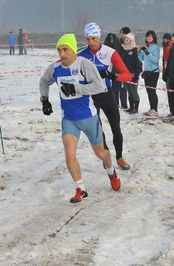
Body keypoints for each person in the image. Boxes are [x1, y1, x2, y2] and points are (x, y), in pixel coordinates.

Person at [38, 33, 121, 203]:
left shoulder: (84, 65)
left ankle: (111, 172)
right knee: (69, 153)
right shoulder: (55, 68)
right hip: (69, 119)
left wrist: (78, 89)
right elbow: (43, 82)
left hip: (89, 117)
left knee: (101, 153)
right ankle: (80, 189)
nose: (62, 54)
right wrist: (45, 100)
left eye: (65, 50)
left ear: (73, 50)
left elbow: (99, 85)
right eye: (59, 50)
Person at [78, 22, 133, 170]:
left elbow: (127, 75)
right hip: (90, 97)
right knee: (98, 129)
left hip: (107, 95)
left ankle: (120, 157)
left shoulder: (110, 52)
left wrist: (112, 75)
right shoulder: (81, 55)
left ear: (99, 37)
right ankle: (106, 154)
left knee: (116, 128)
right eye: (88, 39)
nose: (91, 43)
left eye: (94, 39)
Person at [137, 31, 160, 117]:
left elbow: (155, 60)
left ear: (154, 37)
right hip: (147, 72)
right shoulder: (147, 46)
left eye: (150, 36)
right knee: (148, 91)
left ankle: (155, 109)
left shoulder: (155, 47)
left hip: (154, 72)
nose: (149, 38)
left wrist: (147, 52)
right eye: (147, 36)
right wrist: (139, 52)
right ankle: (151, 108)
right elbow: (142, 58)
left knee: (152, 91)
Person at [104, 32, 127, 109]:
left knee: (122, 88)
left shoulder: (123, 43)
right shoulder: (116, 41)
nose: (122, 35)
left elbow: (119, 50)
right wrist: (108, 39)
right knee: (114, 88)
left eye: (123, 33)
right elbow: (106, 49)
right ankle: (116, 102)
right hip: (113, 69)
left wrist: (116, 40)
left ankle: (124, 104)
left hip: (120, 69)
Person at [121, 33, 142, 114]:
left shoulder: (134, 51)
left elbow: (138, 63)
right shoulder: (126, 51)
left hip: (133, 75)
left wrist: (137, 74)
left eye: (127, 40)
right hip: (126, 75)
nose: (125, 42)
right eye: (125, 40)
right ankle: (131, 106)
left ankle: (136, 108)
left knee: (134, 91)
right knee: (129, 91)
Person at [161, 33, 173, 115]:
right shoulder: (165, 47)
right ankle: (172, 111)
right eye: (164, 39)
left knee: (172, 94)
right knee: (169, 94)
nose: (165, 40)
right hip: (166, 71)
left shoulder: (170, 47)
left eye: (166, 39)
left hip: (171, 73)